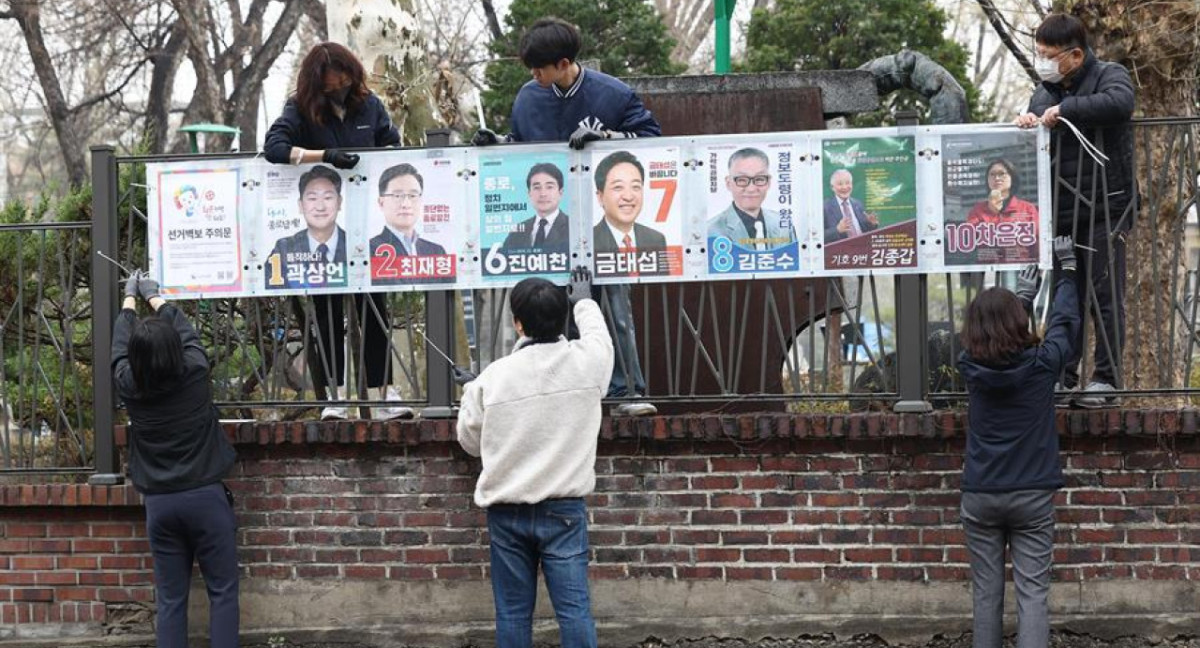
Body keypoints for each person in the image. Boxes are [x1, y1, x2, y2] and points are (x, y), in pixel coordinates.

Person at [472, 16, 660, 417]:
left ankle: (627, 391)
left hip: (601, 224)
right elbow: (520, 145)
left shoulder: (611, 93)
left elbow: (652, 140)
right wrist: (496, 144)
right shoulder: (527, 97)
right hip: (550, 231)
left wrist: (606, 139)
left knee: (614, 308)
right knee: (554, 312)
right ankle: (567, 395)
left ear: (562, 63)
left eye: (539, 68)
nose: (534, 75)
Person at [456, 267, 612, 648]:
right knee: (574, 611)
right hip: (563, 510)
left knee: (512, 613)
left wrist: (470, 391)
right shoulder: (588, 364)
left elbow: (470, 443)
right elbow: (599, 337)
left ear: (517, 323)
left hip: (506, 512)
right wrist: (585, 300)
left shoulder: (492, 378)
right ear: (564, 318)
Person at [263, 41, 410, 421]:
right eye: (332, 81)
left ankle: (383, 394)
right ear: (317, 82)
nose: (340, 85)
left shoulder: (370, 105)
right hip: (324, 227)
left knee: (374, 310)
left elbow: (391, 145)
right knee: (327, 313)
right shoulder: (300, 109)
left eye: (345, 77)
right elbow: (274, 147)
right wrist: (322, 157)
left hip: (368, 226)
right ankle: (335, 395)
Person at [957, 235, 1079, 648]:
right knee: (1033, 595)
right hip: (1032, 494)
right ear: (1018, 324)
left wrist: (1021, 300)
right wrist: (1068, 274)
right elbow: (1064, 326)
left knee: (986, 596)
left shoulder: (969, 367)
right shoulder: (1044, 365)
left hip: (981, 495)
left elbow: (996, 347)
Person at [112, 271, 239, 648]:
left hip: (160, 504)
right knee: (223, 592)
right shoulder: (195, 373)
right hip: (206, 498)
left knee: (170, 600)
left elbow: (120, 349)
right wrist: (158, 298)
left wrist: (129, 300)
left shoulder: (129, 384)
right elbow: (187, 333)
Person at [1014, 13, 1135, 407]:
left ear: (1076, 55)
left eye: (1048, 55)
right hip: (1061, 211)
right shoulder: (1044, 89)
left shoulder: (1109, 74)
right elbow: (1038, 114)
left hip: (1106, 206)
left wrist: (1068, 110)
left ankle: (1106, 380)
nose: (1042, 61)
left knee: (1105, 295)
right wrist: (1030, 121)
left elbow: (1120, 104)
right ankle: (1063, 376)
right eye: (1039, 53)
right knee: (1067, 295)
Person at [266, 165, 348, 289]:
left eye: (327, 198)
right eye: (312, 198)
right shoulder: (284, 248)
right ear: (300, 205)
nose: (320, 207)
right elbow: (267, 284)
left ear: (339, 202)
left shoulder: (356, 245)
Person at [369, 163, 452, 285]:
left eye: (413, 195)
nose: (406, 204)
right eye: (397, 195)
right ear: (381, 202)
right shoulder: (370, 249)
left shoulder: (437, 251)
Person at [706, 147, 795, 249]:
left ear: (769, 182)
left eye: (760, 179)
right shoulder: (710, 230)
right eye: (742, 180)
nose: (751, 189)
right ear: (728, 183)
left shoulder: (783, 224)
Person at [592, 150, 667, 259]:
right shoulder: (588, 241)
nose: (628, 197)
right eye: (618, 187)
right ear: (600, 197)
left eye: (635, 187)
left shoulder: (656, 239)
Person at [500, 162, 570, 258]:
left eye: (549, 187)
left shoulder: (572, 227)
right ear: (529, 193)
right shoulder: (517, 232)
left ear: (560, 192)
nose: (543, 194)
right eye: (537, 187)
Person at [966, 159, 1038, 225]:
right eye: (992, 174)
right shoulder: (977, 210)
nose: (997, 178)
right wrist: (992, 212)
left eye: (1002, 174)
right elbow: (970, 236)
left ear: (1012, 178)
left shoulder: (1028, 209)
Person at [823, 169, 879, 244]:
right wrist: (837, 230)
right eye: (840, 184)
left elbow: (864, 230)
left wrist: (871, 224)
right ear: (832, 187)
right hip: (842, 252)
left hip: (863, 249)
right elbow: (817, 236)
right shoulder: (825, 207)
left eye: (848, 183)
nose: (845, 187)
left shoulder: (857, 204)